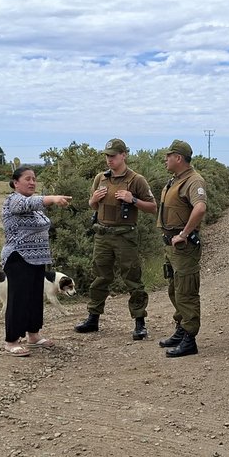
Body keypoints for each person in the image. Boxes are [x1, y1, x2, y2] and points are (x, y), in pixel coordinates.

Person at [74, 138, 157, 340]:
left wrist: (133, 200)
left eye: (113, 155)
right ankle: (93, 318)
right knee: (100, 277)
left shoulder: (137, 180)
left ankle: (139, 322)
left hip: (125, 236)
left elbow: (153, 207)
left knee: (132, 279)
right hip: (102, 235)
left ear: (123, 155)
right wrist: (93, 200)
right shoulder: (100, 178)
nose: (109, 159)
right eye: (107, 155)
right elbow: (94, 206)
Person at [0, 166, 71, 357]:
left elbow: (35, 207)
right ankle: (12, 340)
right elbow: (26, 204)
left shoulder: (34, 206)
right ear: (16, 183)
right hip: (18, 257)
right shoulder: (13, 200)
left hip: (37, 259)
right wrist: (53, 198)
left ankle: (33, 335)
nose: (32, 182)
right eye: (27, 179)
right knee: (19, 299)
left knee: (33, 298)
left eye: (34, 179)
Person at [155, 139, 207, 357]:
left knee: (186, 292)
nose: (165, 159)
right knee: (175, 289)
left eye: (169, 156)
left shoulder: (194, 181)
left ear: (178, 158)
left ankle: (189, 339)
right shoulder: (176, 180)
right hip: (172, 247)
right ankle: (180, 329)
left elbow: (200, 207)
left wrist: (184, 234)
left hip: (184, 247)